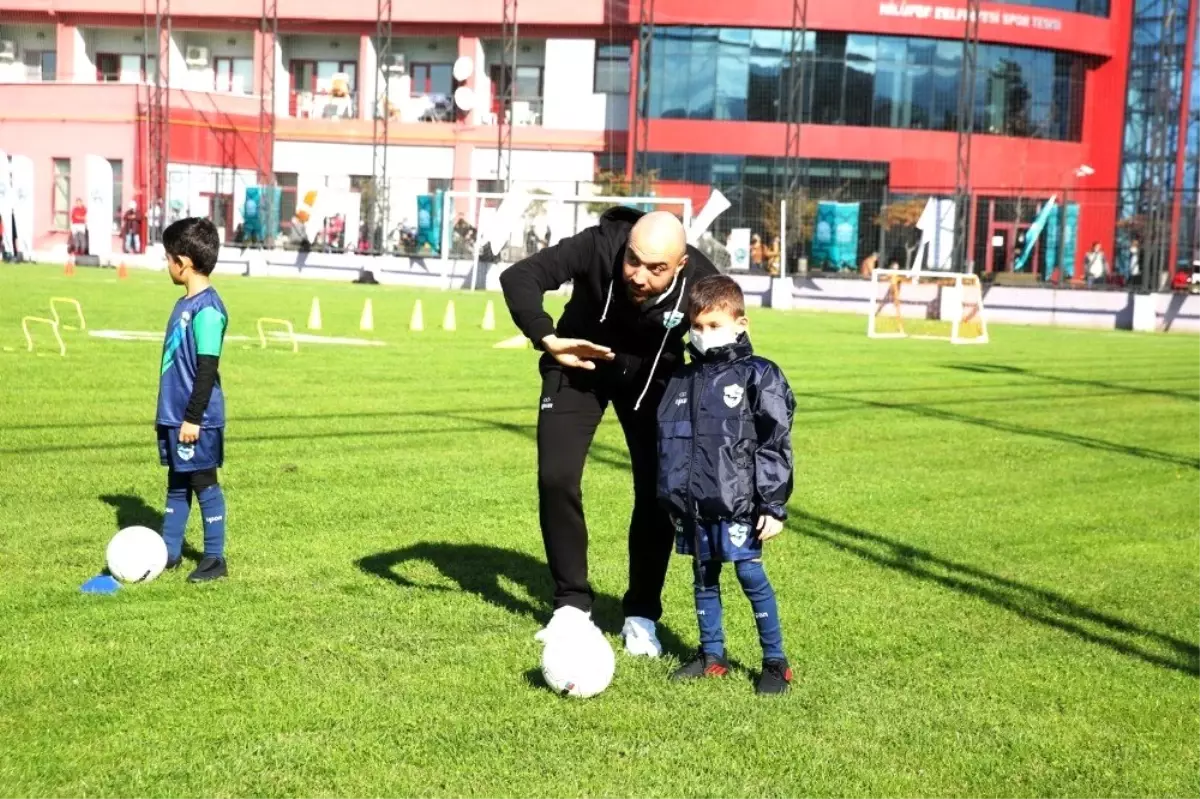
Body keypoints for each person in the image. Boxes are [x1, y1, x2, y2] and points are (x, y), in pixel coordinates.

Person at [500, 208, 719, 656]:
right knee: (556, 477)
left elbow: (727, 339)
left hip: (651, 381)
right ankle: (571, 608)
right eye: (633, 261)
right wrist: (547, 337)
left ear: (679, 265)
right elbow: (519, 276)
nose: (639, 275)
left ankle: (641, 616)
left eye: (656, 268)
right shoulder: (599, 244)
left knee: (658, 492)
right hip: (577, 364)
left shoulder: (700, 278)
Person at [657, 275, 796, 694]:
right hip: (692, 503)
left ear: (741, 324)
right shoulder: (682, 379)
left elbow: (775, 441)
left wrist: (771, 504)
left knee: (751, 576)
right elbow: (670, 442)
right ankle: (711, 655)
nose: (704, 335)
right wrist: (672, 496)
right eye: (697, 327)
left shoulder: (759, 375)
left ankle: (775, 662)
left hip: (738, 503)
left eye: (714, 325)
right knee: (703, 575)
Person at [155, 217, 230, 582]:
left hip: (194, 418)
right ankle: (169, 552)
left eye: (167, 258)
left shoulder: (208, 310)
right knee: (177, 481)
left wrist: (193, 418)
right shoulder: (184, 303)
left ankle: (215, 559)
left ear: (182, 262)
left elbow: (206, 368)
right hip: (175, 414)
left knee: (203, 481)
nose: (166, 264)